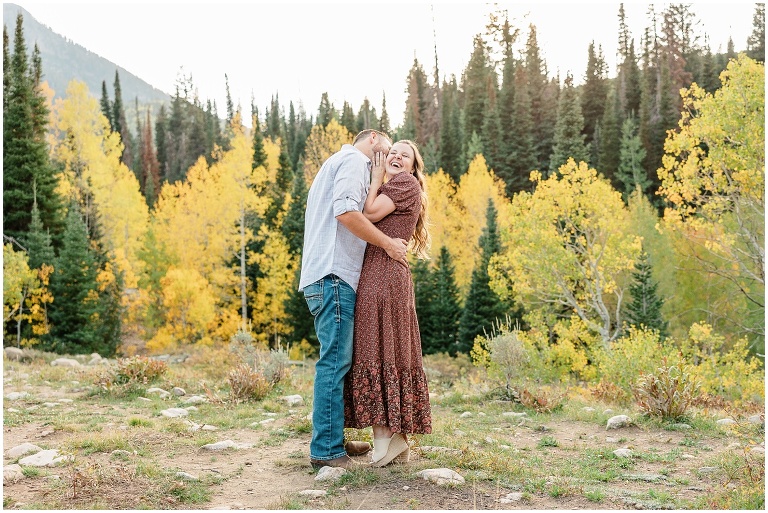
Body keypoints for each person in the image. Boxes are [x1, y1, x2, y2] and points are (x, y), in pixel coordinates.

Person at [299, 129, 409, 471]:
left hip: (325, 275)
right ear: (373, 139)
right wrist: (388, 244)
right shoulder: (354, 160)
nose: (388, 158)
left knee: (338, 362)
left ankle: (331, 438)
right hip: (334, 275)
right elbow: (347, 213)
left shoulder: (336, 162)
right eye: (388, 148)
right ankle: (327, 452)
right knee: (334, 363)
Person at [344, 139, 432, 467]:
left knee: (377, 348)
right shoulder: (395, 186)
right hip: (386, 273)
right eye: (393, 151)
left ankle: (384, 441)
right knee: (388, 349)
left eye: (404, 154)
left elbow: (367, 213)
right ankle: (397, 441)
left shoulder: (403, 183)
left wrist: (377, 175)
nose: (396, 156)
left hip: (383, 275)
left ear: (412, 166)